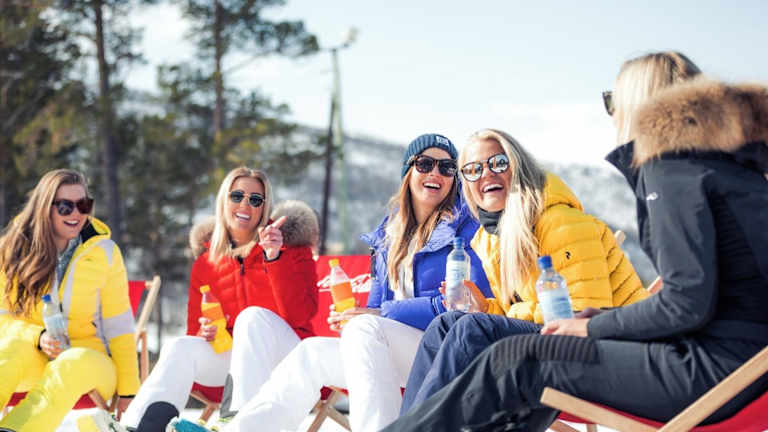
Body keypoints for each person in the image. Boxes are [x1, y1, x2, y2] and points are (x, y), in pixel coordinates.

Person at [384, 51, 768, 432]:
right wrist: (595, 321)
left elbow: (686, 304)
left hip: (708, 372)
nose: (613, 115)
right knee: (502, 350)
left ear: (639, 105)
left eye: (612, 101)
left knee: (515, 359)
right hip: (742, 369)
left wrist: (593, 326)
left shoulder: (674, 171)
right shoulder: (728, 169)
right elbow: (703, 298)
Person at [196, 133, 492, 432]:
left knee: (366, 328)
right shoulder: (389, 235)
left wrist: (378, 315)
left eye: (447, 167)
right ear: (408, 172)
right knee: (313, 352)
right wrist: (354, 317)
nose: (435, 173)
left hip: (446, 348)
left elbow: (468, 303)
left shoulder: (467, 229)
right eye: (425, 164)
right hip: (397, 349)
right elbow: (376, 306)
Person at [400, 128, 648, 413]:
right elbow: (518, 315)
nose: (486, 174)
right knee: (445, 325)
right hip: (550, 348)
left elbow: (583, 313)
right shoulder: (491, 239)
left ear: (517, 167)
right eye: (473, 169)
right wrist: (487, 309)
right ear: (466, 183)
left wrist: (494, 318)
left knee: (471, 329)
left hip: (611, 355)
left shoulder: (560, 222)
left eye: (498, 163)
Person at [122, 167, 319, 432]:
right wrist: (205, 333)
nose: (245, 205)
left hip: (290, 360)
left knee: (251, 317)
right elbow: (194, 330)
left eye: (255, 199)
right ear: (223, 201)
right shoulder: (206, 263)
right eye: (237, 196)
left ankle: (236, 424)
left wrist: (274, 257)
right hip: (234, 367)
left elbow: (301, 315)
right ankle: (139, 426)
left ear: (264, 207)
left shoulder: (292, 249)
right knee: (180, 346)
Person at [0, 169, 139, 432]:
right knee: (9, 352)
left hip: (92, 363)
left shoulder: (105, 253)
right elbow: (2, 321)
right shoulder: (12, 251)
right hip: (36, 357)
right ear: (45, 208)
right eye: (65, 206)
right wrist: (38, 337)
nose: (76, 214)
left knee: (72, 362)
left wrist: (129, 390)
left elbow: (120, 327)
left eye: (83, 205)